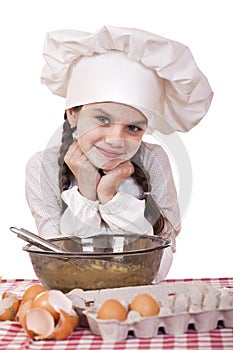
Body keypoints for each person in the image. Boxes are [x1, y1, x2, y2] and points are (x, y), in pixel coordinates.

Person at [25, 25, 213, 281]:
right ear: (73, 115)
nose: (116, 140)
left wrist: (111, 197)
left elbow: (159, 265)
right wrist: (86, 193)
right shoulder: (42, 167)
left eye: (133, 128)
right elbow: (59, 261)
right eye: (102, 119)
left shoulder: (153, 160)